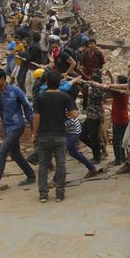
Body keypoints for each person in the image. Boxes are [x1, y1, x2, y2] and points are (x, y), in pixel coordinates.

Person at [0, 68, 37, 197]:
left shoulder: (15, 91)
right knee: (15, 154)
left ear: (3, 79)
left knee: (1, 153)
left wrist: (34, 129)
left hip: (17, 126)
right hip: (7, 127)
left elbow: (28, 109)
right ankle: (31, 175)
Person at [32, 71, 78, 203]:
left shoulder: (40, 97)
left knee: (43, 165)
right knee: (61, 165)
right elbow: (74, 114)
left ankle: (43, 194)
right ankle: (59, 194)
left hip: (44, 135)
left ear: (46, 82)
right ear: (59, 83)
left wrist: (34, 133)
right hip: (60, 135)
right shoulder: (64, 97)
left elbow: (36, 117)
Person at [79, 72, 105, 164]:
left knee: (94, 138)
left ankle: (96, 157)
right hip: (90, 116)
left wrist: (89, 85)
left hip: (95, 117)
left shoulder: (98, 90)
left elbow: (90, 93)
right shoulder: (93, 88)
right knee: (82, 136)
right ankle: (97, 148)